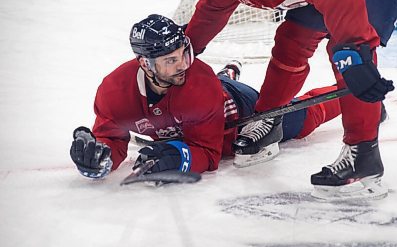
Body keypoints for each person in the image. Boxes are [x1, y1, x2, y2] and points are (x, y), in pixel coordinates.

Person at [174, 0, 397, 199]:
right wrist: (180, 56)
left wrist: (354, 55)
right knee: (292, 40)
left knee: (347, 53)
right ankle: (269, 118)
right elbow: (210, 13)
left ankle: (363, 153)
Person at [69, 14, 343, 179]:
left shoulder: (197, 82)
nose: (182, 65)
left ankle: (352, 100)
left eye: (183, 54)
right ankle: (228, 73)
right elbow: (112, 138)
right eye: (170, 60)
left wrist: (180, 157)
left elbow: (210, 154)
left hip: (239, 113)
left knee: (301, 118)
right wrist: (100, 155)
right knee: (211, 82)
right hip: (197, 112)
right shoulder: (114, 91)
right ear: (144, 64)